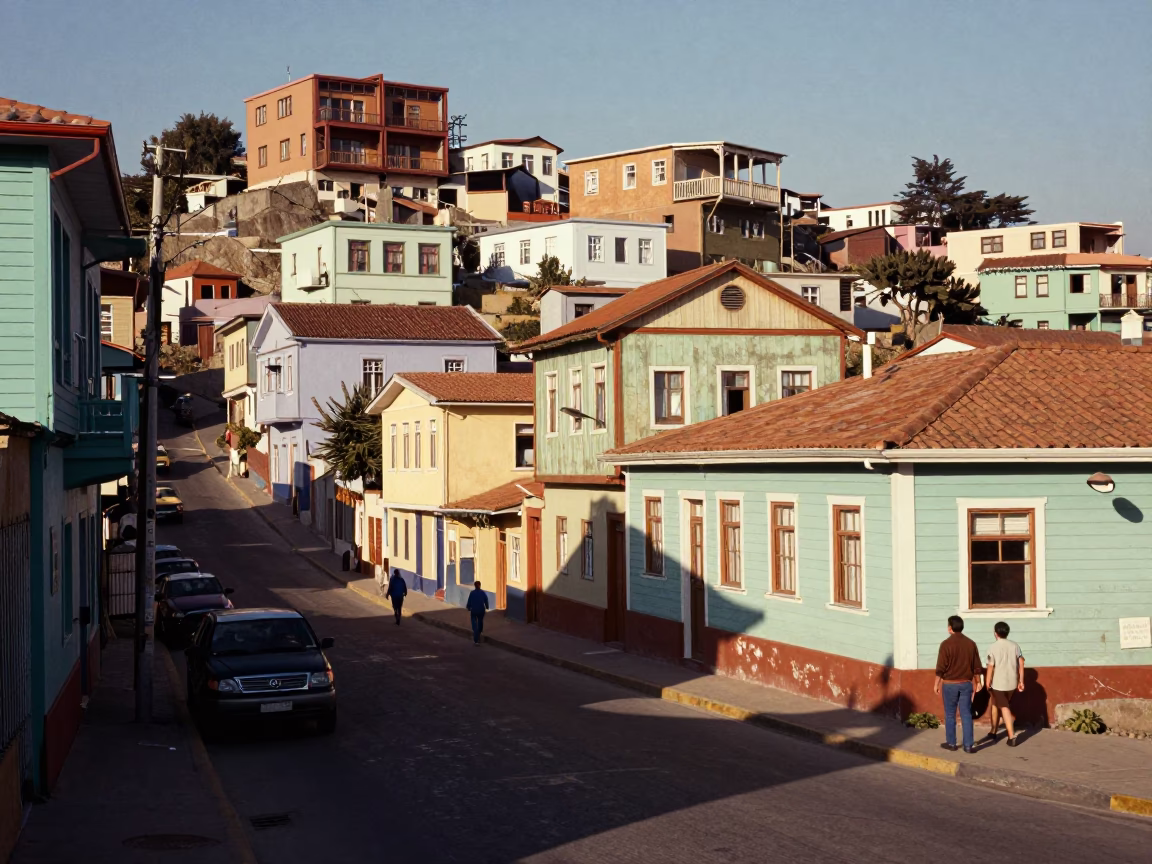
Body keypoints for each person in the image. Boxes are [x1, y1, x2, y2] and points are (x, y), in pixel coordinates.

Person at [933, 615, 984, 753]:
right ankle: (968, 745)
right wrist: (978, 682)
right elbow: (976, 667)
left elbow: (941, 668)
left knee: (950, 714)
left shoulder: (946, 644)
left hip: (949, 684)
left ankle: (951, 743)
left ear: (950, 627)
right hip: (966, 684)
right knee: (966, 714)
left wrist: (936, 684)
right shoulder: (971, 643)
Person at [984, 621, 1025, 747]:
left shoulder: (993, 647)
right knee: (996, 704)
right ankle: (993, 731)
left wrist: (987, 681)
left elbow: (991, 666)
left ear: (996, 633)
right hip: (1012, 682)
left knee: (1004, 707)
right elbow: (1021, 663)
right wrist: (1021, 680)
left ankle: (1011, 736)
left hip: (998, 683)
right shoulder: (1015, 646)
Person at [466, 581, 489, 645]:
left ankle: (476, 639)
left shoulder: (472, 593)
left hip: (474, 611)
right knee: (480, 622)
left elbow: (469, 601)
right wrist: (487, 607)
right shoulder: (482, 593)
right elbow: (486, 600)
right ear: (480, 585)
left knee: (474, 624)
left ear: (475, 586)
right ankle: (479, 632)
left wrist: (468, 607)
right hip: (481, 610)